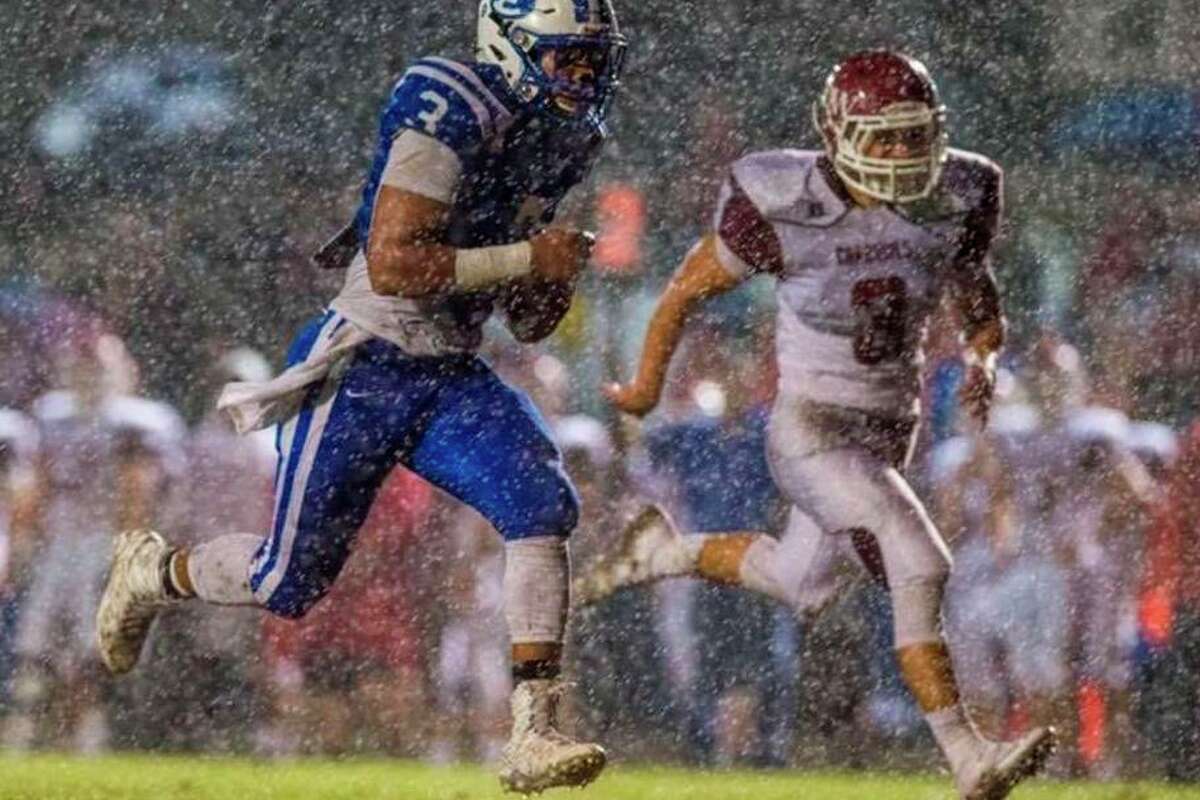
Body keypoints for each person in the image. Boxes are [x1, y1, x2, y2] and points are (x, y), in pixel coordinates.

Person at [96, 1, 626, 792]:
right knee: (288, 583)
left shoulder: (564, 138)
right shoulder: (449, 100)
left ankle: (532, 732)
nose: (583, 78)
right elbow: (393, 263)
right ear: (509, 50)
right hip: (366, 360)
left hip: (449, 367)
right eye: (566, 58)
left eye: (593, 59)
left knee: (541, 502)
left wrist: (550, 274)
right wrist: (524, 254)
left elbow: (528, 318)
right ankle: (154, 572)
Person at [576, 51, 1055, 799]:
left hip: (891, 427)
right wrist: (644, 385)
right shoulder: (783, 200)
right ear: (837, 132)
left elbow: (971, 283)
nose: (902, 154)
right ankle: (968, 758)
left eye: (913, 135)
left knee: (804, 582)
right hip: (810, 428)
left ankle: (666, 551)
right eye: (884, 138)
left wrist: (983, 355)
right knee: (919, 559)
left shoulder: (960, 190)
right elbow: (681, 293)